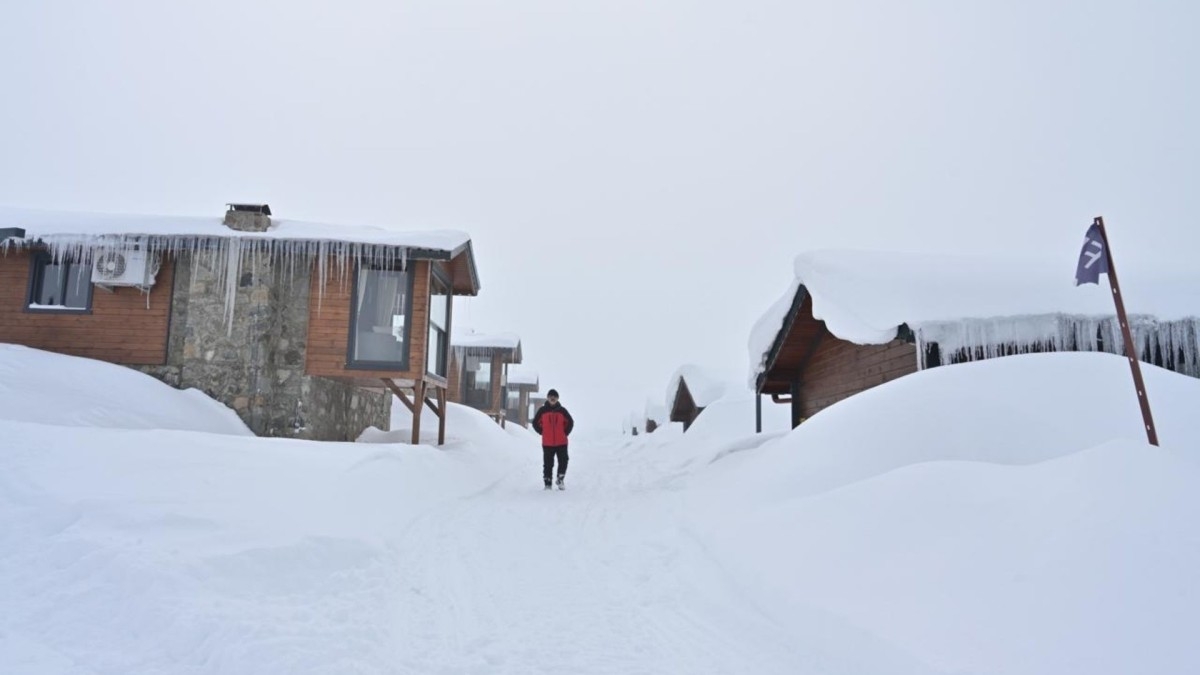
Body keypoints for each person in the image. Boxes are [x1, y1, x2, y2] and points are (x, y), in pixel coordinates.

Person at [532, 389, 574, 490]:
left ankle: (560, 479)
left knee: (564, 460)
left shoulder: (562, 410)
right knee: (548, 464)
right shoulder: (542, 410)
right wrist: (542, 432)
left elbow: (571, 422)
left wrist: (565, 433)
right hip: (547, 443)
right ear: (547, 398)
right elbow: (535, 423)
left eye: (554, 396)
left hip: (562, 442)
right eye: (551, 396)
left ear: (557, 398)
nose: (552, 398)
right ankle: (547, 483)